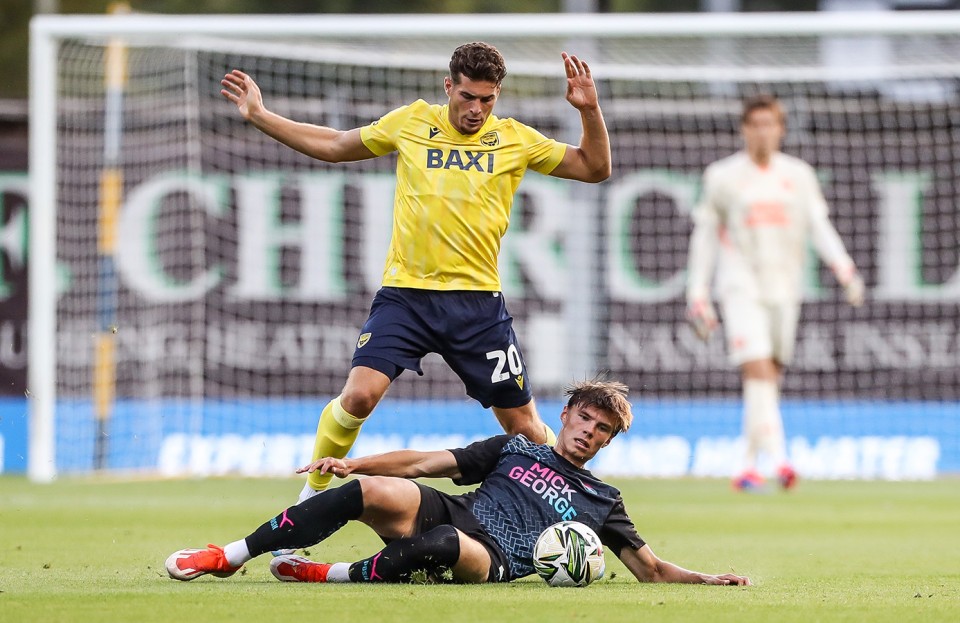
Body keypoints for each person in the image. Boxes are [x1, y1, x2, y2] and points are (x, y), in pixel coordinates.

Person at [220, 42, 611, 502]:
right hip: (406, 297)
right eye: (467, 97)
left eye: (487, 99)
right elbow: (335, 145)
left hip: (477, 306)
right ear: (449, 87)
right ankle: (311, 495)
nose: (476, 109)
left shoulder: (515, 139)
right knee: (358, 397)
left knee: (524, 429)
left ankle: (565, 498)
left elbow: (594, 167)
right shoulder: (412, 122)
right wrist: (261, 115)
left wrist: (589, 110)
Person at [165, 380, 750, 587]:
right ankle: (230, 555)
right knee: (369, 492)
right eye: (584, 419)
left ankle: (325, 573)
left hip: (492, 558)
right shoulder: (517, 445)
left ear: (607, 442)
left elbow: (651, 570)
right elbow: (426, 463)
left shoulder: (603, 500)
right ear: (566, 414)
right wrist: (357, 465)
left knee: (445, 545)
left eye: (601, 430)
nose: (587, 433)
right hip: (454, 511)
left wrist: (706, 578)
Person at [685, 94, 864, 492]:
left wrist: (845, 268)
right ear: (744, 129)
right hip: (740, 285)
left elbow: (819, 226)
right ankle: (781, 459)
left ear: (781, 129)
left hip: (785, 287)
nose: (762, 132)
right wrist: (697, 291)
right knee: (758, 368)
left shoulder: (798, 175)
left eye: (770, 124)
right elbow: (706, 236)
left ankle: (747, 465)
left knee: (769, 375)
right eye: (755, 125)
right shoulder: (722, 176)